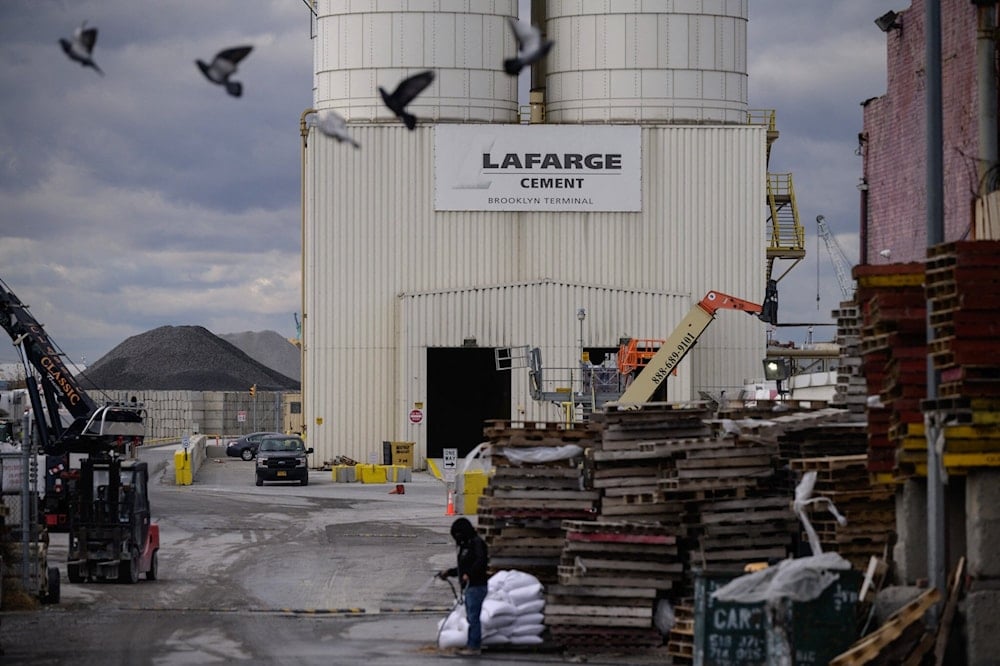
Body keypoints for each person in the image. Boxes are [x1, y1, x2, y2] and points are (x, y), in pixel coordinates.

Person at [438, 517, 489, 656]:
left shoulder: (476, 543)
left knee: (473, 617)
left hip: (477, 586)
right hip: (470, 587)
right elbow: (463, 568)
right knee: (471, 617)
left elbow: (481, 561)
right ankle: (472, 644)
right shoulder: (466, 545)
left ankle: (474, 647)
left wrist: (469, 575)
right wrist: (449, 572)